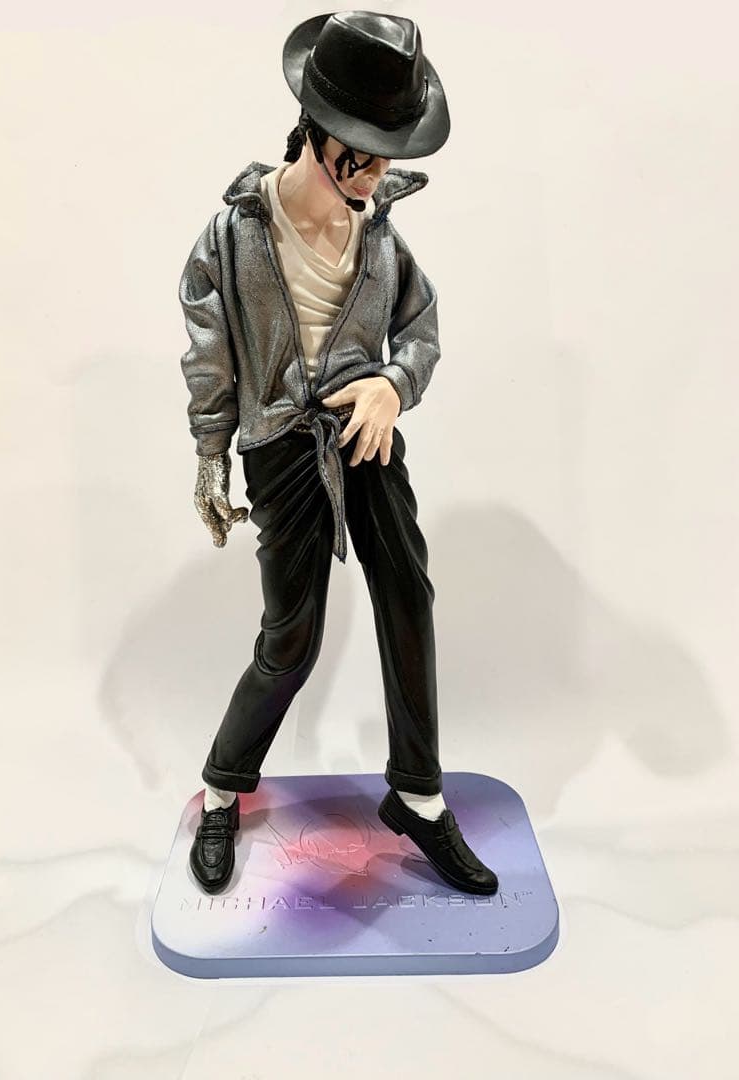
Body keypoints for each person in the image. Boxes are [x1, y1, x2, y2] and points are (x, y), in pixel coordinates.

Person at [179, 12, 498, 897]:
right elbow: (210, 358)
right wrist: (211, 456)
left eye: (388, 154)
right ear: (322, 137)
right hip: (282, 442)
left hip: (365, 430)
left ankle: (419, 796)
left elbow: (420, 328)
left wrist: (393, 382)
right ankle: (222, 786)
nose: (378, 174)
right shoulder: (232, 237)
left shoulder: (381, 235)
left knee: (407, 592)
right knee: (291, 641)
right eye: (365, 155)